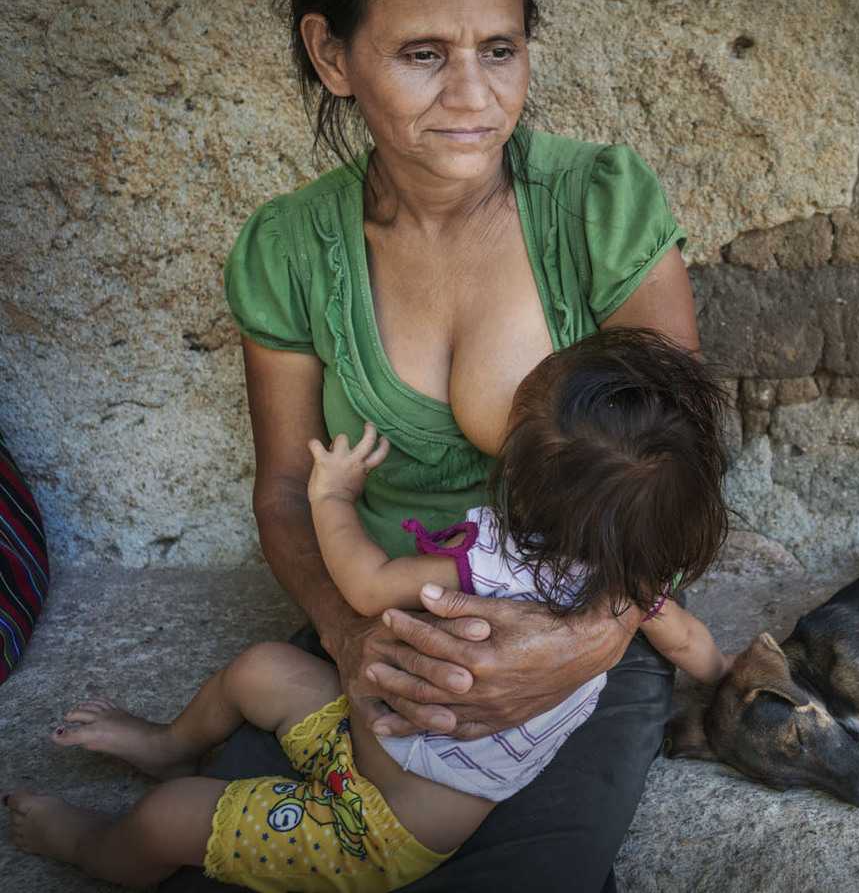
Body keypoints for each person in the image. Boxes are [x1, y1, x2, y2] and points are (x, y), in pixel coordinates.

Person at [136, 0, 695, 888]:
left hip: (592, 620)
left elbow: (678, 471)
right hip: (388, 621)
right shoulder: (289, 252)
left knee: (527, 876)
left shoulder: (599, 205)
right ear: (333, 54)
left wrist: (577, 644)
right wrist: (352, 642)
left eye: (500, 48)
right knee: (220, 858)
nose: (474, 95)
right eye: (424, 54)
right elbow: (282, 489)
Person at [4, 329, 734, 892]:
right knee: (262, 670)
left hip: (377, 826)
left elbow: (363, 581)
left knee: (171, 820)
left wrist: (332, 495)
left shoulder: (480, 561)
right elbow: (694, 644)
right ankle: (170, 745)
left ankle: (89, 847)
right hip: (369, 741)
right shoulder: (636, 593)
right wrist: (727, 673)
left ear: (518, 472)